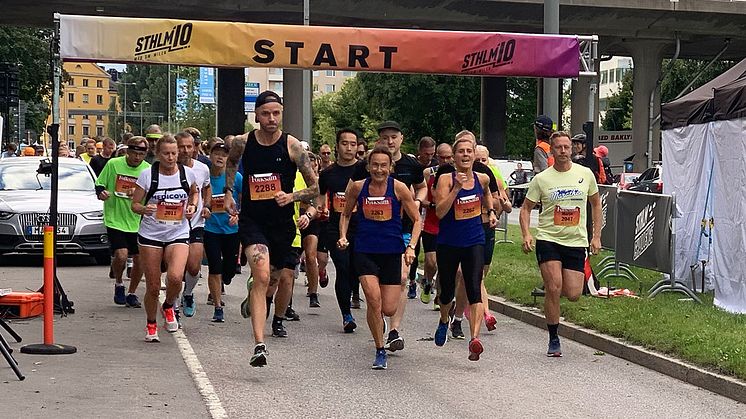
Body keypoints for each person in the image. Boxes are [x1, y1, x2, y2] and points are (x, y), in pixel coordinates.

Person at [223, 90, 318, 367]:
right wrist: (229, 192)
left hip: (282, 225)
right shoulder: (243, 142)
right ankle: (259, 344)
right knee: (263, 275)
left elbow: (314, 187)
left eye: (276, 113)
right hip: (253, 221)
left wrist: (292, 197)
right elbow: (231, 163)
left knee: (272, 280)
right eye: (266, 114)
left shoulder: (293, 147)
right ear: (256, 116)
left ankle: (255, 293)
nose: (271, 119)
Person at [338, 145, 421, 370]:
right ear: (368, 166)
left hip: (392, 253)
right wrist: (343, 236)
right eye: (375, 165)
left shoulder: (400, 188)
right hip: (364, 251)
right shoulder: (357, 187)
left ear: (390, 167)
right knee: (373, 300)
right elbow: (345, 214)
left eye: (384, 165)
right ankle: (380, 349)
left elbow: (417, 220)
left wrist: (411, 246)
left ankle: (379, 321)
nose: (379, 169)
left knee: (389, 308)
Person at [519, 131, 602, 357]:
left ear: (573, 149)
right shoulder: (542, 179)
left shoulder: (585, 174)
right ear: (552, 151)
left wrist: (596, 236)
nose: (563, 151)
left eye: (567, 147)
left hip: (576, 241)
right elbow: (525, 208)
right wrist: (526, 234)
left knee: (573, 293)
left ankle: (550, 290)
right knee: (554, 287)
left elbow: (596, 204)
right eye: (558, 148)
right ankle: (554, 337)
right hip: (548, 239)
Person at [350, 120, 426, 353]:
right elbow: (352, 195)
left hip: (402, 232)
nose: (390, 141)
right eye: (385, 138)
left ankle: (393, 328)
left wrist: (417, 201)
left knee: (402, 281)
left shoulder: (411, 164)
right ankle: (380, 327)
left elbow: (422, 187)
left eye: (394, 137)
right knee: (375, 297)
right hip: (371, 235)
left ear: (401, 138)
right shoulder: (365, 167)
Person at [131, 134, 199, 342]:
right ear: (158, 154)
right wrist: (145, 209)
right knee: (152, 287)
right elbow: (134, 205)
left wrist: (192, 206)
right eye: (166, 154)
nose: (170, 157)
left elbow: (194, 193)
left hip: (178, 232)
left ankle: (169, 305)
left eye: (174, 153)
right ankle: (151, 324)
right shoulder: (147, 175)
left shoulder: (187, 175)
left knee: (176, 277)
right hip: (151, 234)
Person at [433, 137, 496, 360]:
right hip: (449, 243)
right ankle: (443, 320)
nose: (466, 155)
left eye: (469, 151)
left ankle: (474, 339)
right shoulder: (444, 180)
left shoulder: (482, 178)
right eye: (461, 152)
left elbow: (487, 193)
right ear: (454, 156)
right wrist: (456, 188)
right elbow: (440, 212)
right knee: (447, 290)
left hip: (474, 240)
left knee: (474, 287)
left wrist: (491, 212)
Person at [95, 136, 150, 307]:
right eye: (134, 153)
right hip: (115, 217)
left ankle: (132, 293)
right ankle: (119, 283)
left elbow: (152, 193)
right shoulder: (113, 164)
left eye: (141, 154)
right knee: (121, 254)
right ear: (128, 151)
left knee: (140, 258)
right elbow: (99, 184)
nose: (137, 157)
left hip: (137, 219)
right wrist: (101, 193)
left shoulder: (148, 170)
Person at [318, 128, 360, 331]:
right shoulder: (327, 174)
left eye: (353, 144)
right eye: (345, 143)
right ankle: (346, 315)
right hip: (335, 228)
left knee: (355, 270)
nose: (349, 147)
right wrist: (320, 209)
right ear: (337, 146)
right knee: (343, 268)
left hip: (361, 228)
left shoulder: (364, 170)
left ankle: (355, 292)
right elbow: (320, 196)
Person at [175, 131, 212, 321]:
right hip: (172, 225)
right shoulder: (168, 169)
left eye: (189, 146)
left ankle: (188, 294)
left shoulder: (202, 168)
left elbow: (206, 186)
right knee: (176, 269)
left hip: (196, 223)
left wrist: (206, 205)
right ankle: (172, 306)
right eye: (182, 146)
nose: (186, 150)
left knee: (194, 267)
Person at [204, 142, 242, 322]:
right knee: (214, 266)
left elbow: (245, 202)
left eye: (224, 155)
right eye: (216, 153)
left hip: (231, 229)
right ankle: (218, 307)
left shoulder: (237, 178)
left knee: (229, 270)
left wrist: (238, 216)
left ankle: (224, 280)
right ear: (210, 155)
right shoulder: (205, 177)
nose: (220, 158)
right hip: (210, 228)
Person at [420, 143, 453, 309]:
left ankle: (439, 297)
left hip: (447, 225)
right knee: (431, 262)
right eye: (442, 157)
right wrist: (433, 206)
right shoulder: (428, 173)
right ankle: (427, 281)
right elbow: (421, 198)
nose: (445, 160)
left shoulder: (457, 175)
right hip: (431, 224)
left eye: (449, 157)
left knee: (444, 265)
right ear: (437, 157)